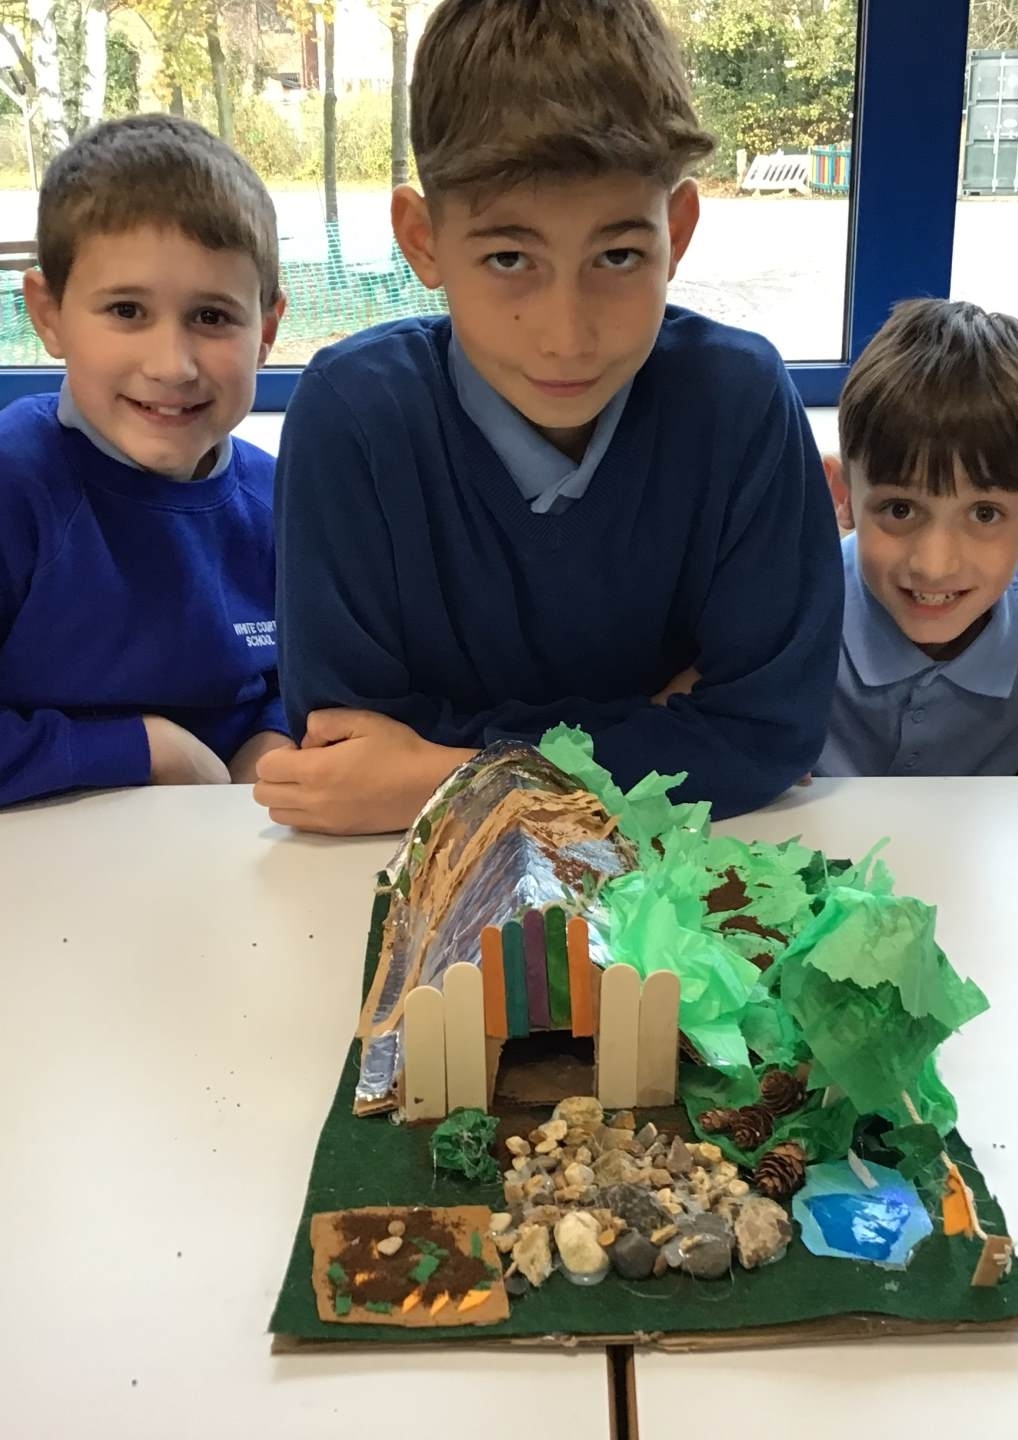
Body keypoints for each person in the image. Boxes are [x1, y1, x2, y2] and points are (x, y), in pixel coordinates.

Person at [260, 0, 841, 835]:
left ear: (676, 232)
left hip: (681, 877)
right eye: (509, 257)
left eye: (617, 255)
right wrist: (656, 725)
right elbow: (346, 750)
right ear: (423, 241)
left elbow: (766, 736)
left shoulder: (741, 404)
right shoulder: (352, 420)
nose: (567, 336)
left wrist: (441, 773)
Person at [0, 115, 289, 818]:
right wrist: (142, 749)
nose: (172, 365)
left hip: (228, 848)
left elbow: (303, 675)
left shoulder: (281, 499)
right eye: (126, 310)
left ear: (266, 331)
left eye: (212, 317)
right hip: (37, 862)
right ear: (50, 315)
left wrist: (274, 736)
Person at [816, 299, 1018, 777]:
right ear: (843, 495)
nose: (934, 565)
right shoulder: (785, 615)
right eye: (900, 509)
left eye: (985, 514)